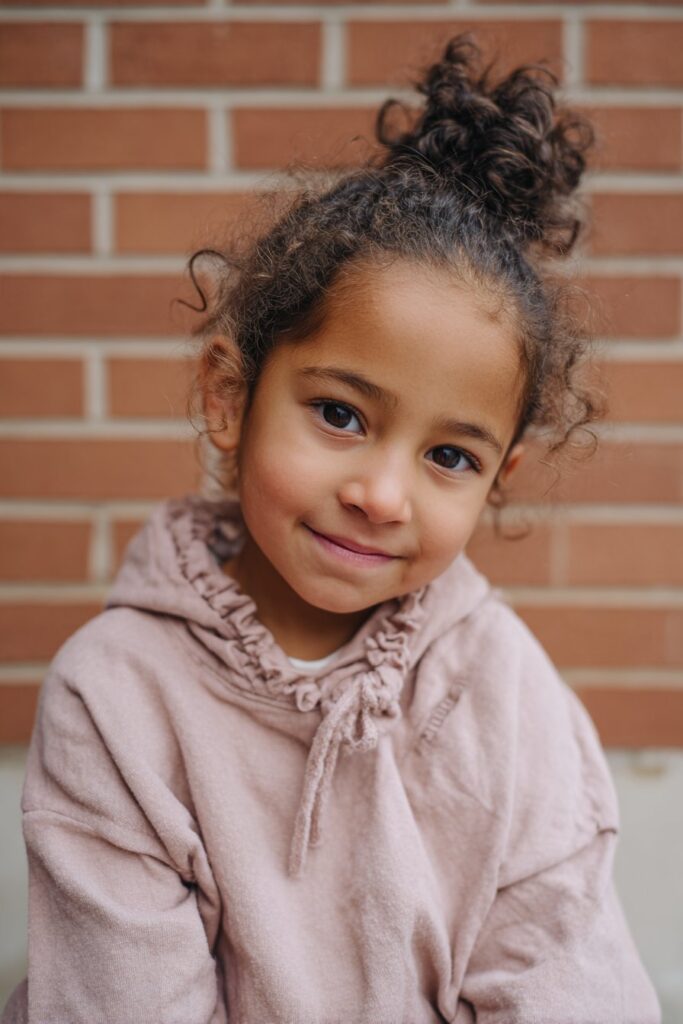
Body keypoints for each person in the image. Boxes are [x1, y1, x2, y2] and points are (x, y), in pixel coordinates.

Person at [3, 35, 660, 1024]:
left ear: (499, 479)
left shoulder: (505, 693)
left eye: (450, 457)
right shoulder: (117, 699)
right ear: (230, 396)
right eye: (340, 414)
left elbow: (567, 987)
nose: (382, 496)